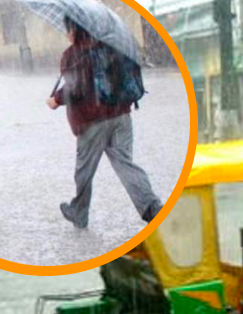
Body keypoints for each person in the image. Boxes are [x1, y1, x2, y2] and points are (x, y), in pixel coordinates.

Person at [46, 17, 162, 229]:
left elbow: (77, 87)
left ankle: (79, 213)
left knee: (84, 171)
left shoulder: (72, 55)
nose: (66, 33)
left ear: (74, 30)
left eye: (67, 29)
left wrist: (56, 100)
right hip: (121, 116)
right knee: (125, 164)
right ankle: (151, 207)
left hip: (92, 122)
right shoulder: (113, 47)